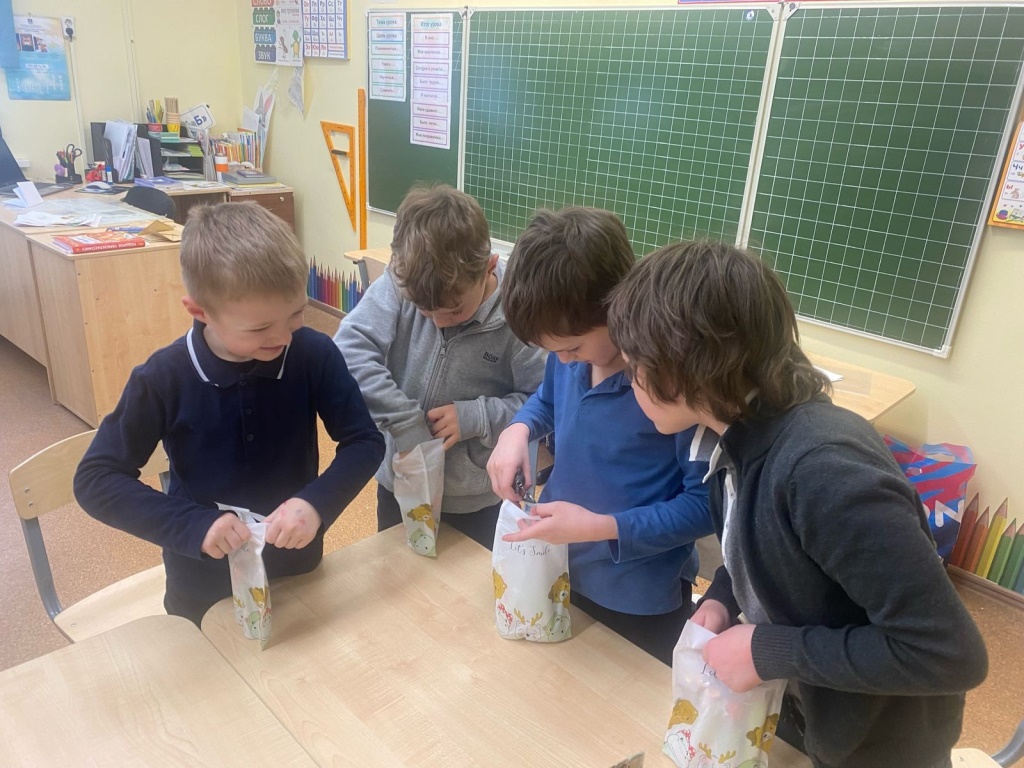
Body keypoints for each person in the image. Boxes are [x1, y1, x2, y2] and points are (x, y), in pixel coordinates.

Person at [606, 239, 988, 768]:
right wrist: (722, 597)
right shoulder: (732, 435)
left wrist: (765, 651)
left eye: (635, 367)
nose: (630, 383)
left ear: (685, 366)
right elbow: (766, 549)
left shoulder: (824, 473)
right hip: (806, 709)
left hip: (877, 743)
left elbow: (949, 653)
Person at [74, 202, 384, 626]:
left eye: (296, 313)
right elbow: (96, 480)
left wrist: (316, 504)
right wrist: (191, 525)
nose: (284, 336)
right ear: (200, 312)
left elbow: (365, 442)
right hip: (203, 579)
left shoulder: (313, 353)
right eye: (259, 328)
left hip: (295, 564)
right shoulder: (163, 377)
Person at [487, 207, 715, 664]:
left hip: (638, 598)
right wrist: (518, 428)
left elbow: (705, 508)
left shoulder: (672, 388)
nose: (564, 360)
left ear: (618, 304)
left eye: (572, 347)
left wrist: (600, 527)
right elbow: (548, 400)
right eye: (553, 351)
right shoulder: (569, 354)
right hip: (561, 568)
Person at [335, 185, 546, 547]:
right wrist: (403, 421)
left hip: (475, 499)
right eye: (423, 310)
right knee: (397, 572)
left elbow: (541, 400)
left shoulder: (520, 314)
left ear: (489, 267)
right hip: (402, 483)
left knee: (464, 581)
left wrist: (476, 416)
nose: (437, 322)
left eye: (453, 310)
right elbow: (348, 351)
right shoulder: (402, 280)